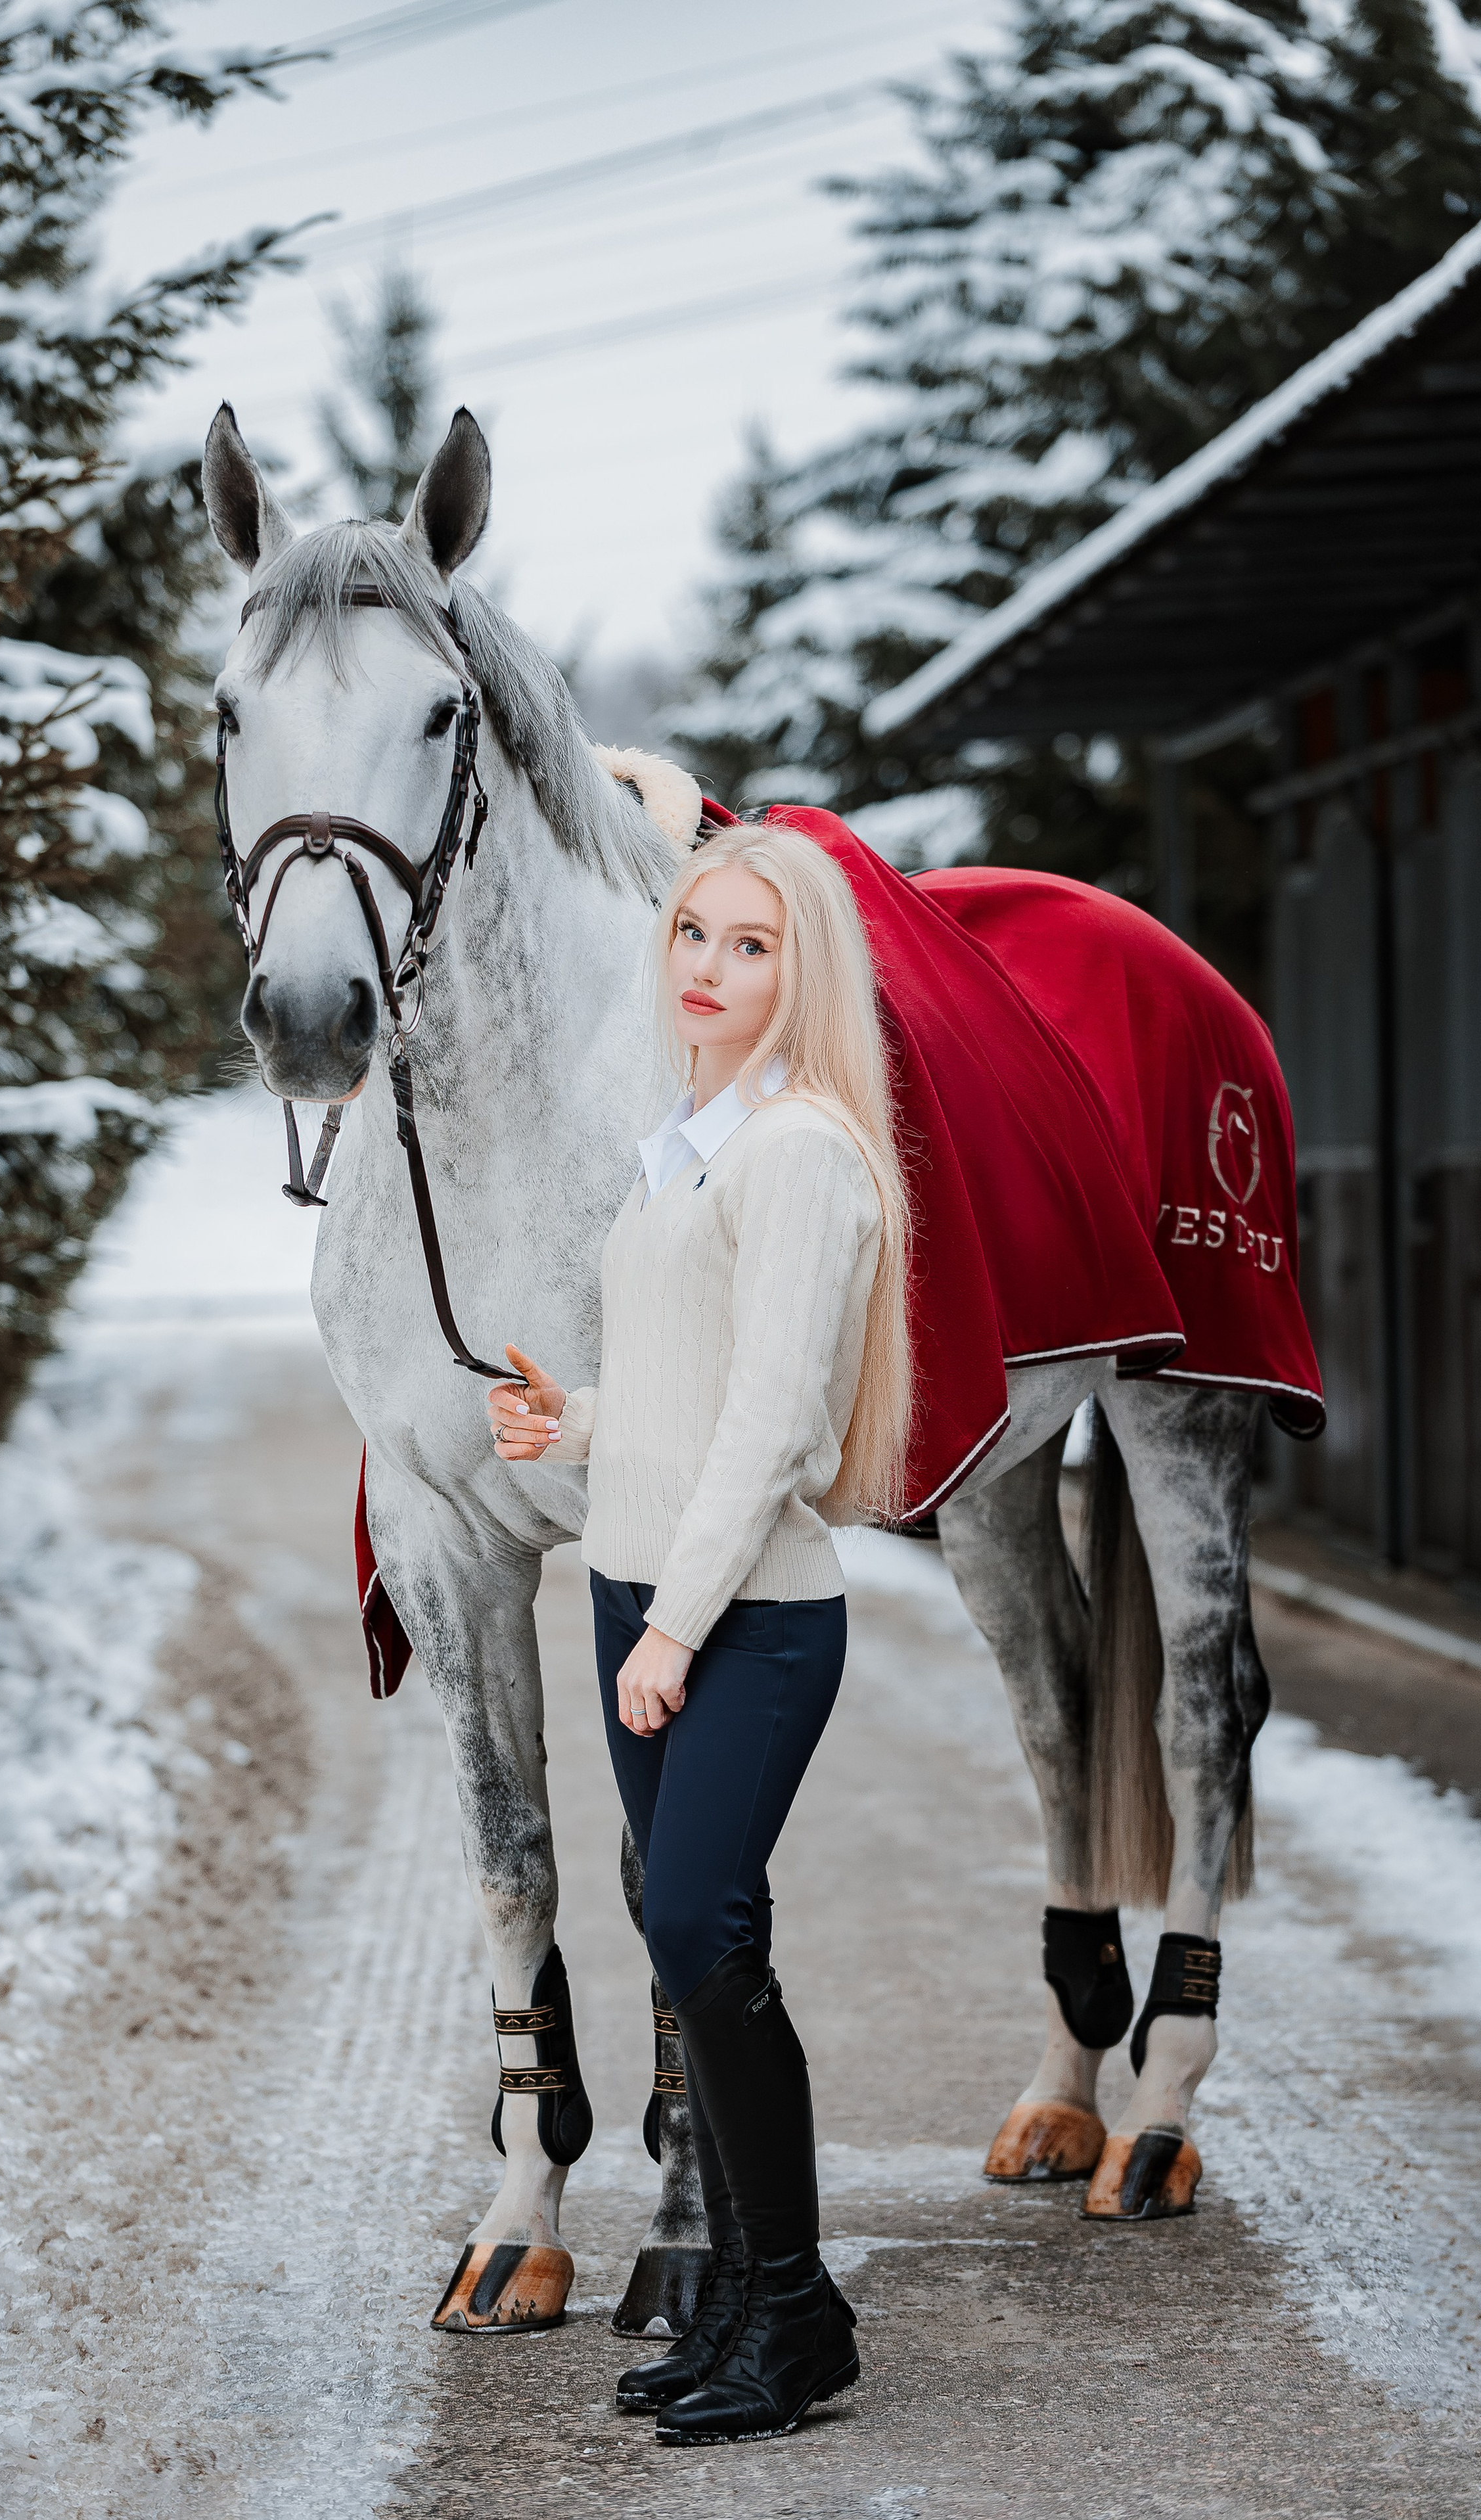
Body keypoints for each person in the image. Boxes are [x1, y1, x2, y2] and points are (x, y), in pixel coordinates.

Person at [488, 819, 911, 2446]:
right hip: (642, 1586)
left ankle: (794, 2314)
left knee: (702, 1940)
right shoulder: (687, 1139)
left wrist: (669, 1628)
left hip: (742, 1618)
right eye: (691, 935)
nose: (709, 968)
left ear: (802, 971)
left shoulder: (798, 1149)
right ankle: (738, 2297)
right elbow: (687, 1386)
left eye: (750, 944)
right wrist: (575, 1420)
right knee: (689, 1943)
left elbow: (774, 1425)